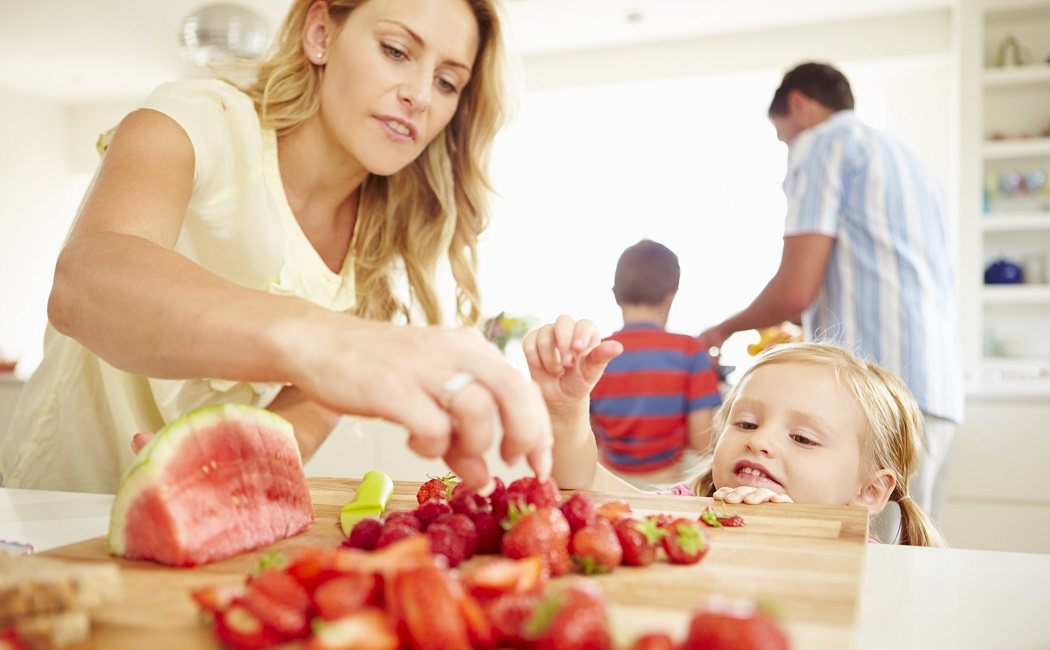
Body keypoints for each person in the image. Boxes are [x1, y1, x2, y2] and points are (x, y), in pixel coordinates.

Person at [0, 0, 553, 494]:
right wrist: (321, 339)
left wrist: (244, 460)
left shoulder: (385, 240)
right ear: (320, 34)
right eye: (396, 50)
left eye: (448, 83)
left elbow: (308, 406)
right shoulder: (198, 119)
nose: (419, 95)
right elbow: (85, 281)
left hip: (194, 529)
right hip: (52, 509)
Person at [699, 62, 963, 523]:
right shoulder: (909, 161)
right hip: (937, 389)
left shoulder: (823, 143)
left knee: (855, 563)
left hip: (870, 396)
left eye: (783, 136)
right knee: (903, 557)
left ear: (798, 104)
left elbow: (795, 289)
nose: (788, 147)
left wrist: (722, 328)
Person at [523, 327, 945, 547]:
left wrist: (787, 533)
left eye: (801, 438)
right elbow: (583, 486)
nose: (760, 441)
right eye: (745, 423)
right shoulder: (687, 511)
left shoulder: (871, 564)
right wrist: (565, 411)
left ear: (869, 492)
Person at [589, 239, 721, 487]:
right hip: (668, 487)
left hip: (607, 483)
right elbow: (702, 441)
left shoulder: (598, 353)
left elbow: (588, 432)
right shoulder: (690, 352)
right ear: (671, 296)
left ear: (616, 295)